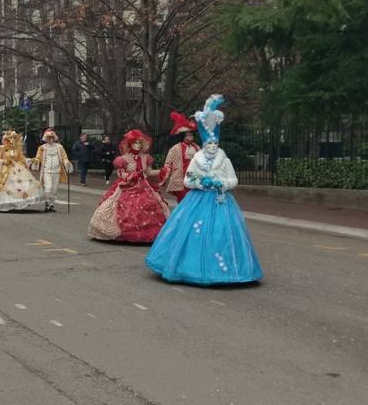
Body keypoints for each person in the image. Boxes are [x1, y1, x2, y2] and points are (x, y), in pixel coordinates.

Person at [145, 95, 263, 285]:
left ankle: (225, 270)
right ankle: (187, 267)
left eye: (215, 143)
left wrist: (220, 183)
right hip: (197, 199)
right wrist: (200, 182)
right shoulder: (196, 159)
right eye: (209, 143)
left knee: (221, 233)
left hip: (220, 200)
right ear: (204, 144)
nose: (212, 146)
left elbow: (233, 180)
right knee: (190, 231)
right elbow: (187, 180)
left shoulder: (224, 160)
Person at [88, 130, 170, 243]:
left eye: (139, 143)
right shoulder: (124, 159)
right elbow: (120, 173)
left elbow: (149, 172)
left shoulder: (146, 158)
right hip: (128, 185)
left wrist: (162, 171)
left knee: (153, 205)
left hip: (145, 186)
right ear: (130, 144)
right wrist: (130, 176)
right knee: (118, 206)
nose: (137, 145)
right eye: (135, 143)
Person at [0, 130, 45, 212]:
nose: (12, 140)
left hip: (17, 168)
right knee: (5, 186)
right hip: (5, 169)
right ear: (7, 139)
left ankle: (19, 203)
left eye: (14, 139)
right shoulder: (2, 148)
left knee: (21, 186)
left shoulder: (17, 150)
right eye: (11, 138)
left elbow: (21, 159)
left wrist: (30, 160)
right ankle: (6, 203)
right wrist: (4, 161)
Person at [160, 112, 201, 203]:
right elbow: (168, 163)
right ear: (183, 136)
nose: (190, 136)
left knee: (194, 203)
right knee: (183, 203)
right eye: (187, 134)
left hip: (195, 179)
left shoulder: (197, 148)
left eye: (191, 134)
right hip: (181, 181)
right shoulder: (175, 148)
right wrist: (165, 171)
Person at [32, 128, 73, 212]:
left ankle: (51, 205)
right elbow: (38, 157)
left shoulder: (59, 147)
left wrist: (67, 163)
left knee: (54, 189)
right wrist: (35, 161)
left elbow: (64, 157)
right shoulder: (42, 148)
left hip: (57, 171)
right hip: (46, 171)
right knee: (48, 187)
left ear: (54, 138)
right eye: (48, 138)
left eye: (52, 137)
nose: (50, 139)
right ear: (45, 139)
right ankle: (47, 203)